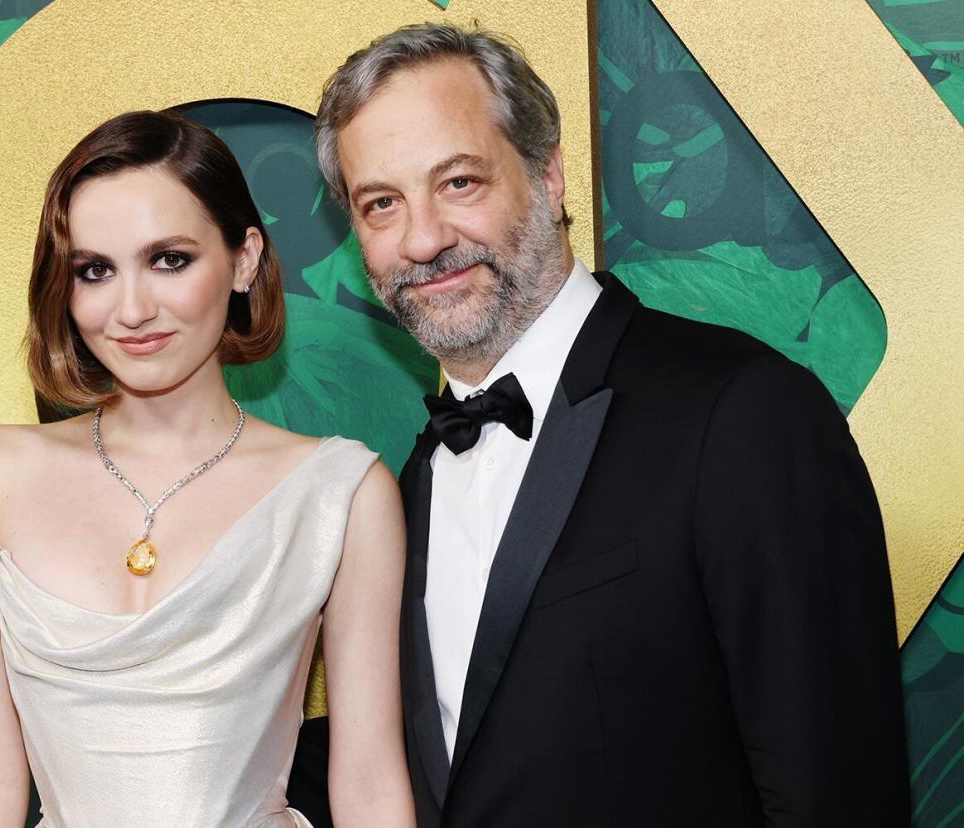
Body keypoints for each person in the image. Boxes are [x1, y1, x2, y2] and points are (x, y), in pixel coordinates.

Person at [313, 23, 910, 826]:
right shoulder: (402, 485)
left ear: (549, 176)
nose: (423, 239)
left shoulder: (743, 412)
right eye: (382, 204)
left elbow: (837, 794)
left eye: (458, 183)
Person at [0, 110, 415, 827]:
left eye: (169, 260)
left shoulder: (341, 495)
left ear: (245, 259)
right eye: (95, 270)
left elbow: (370, 783)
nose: (130, 309)